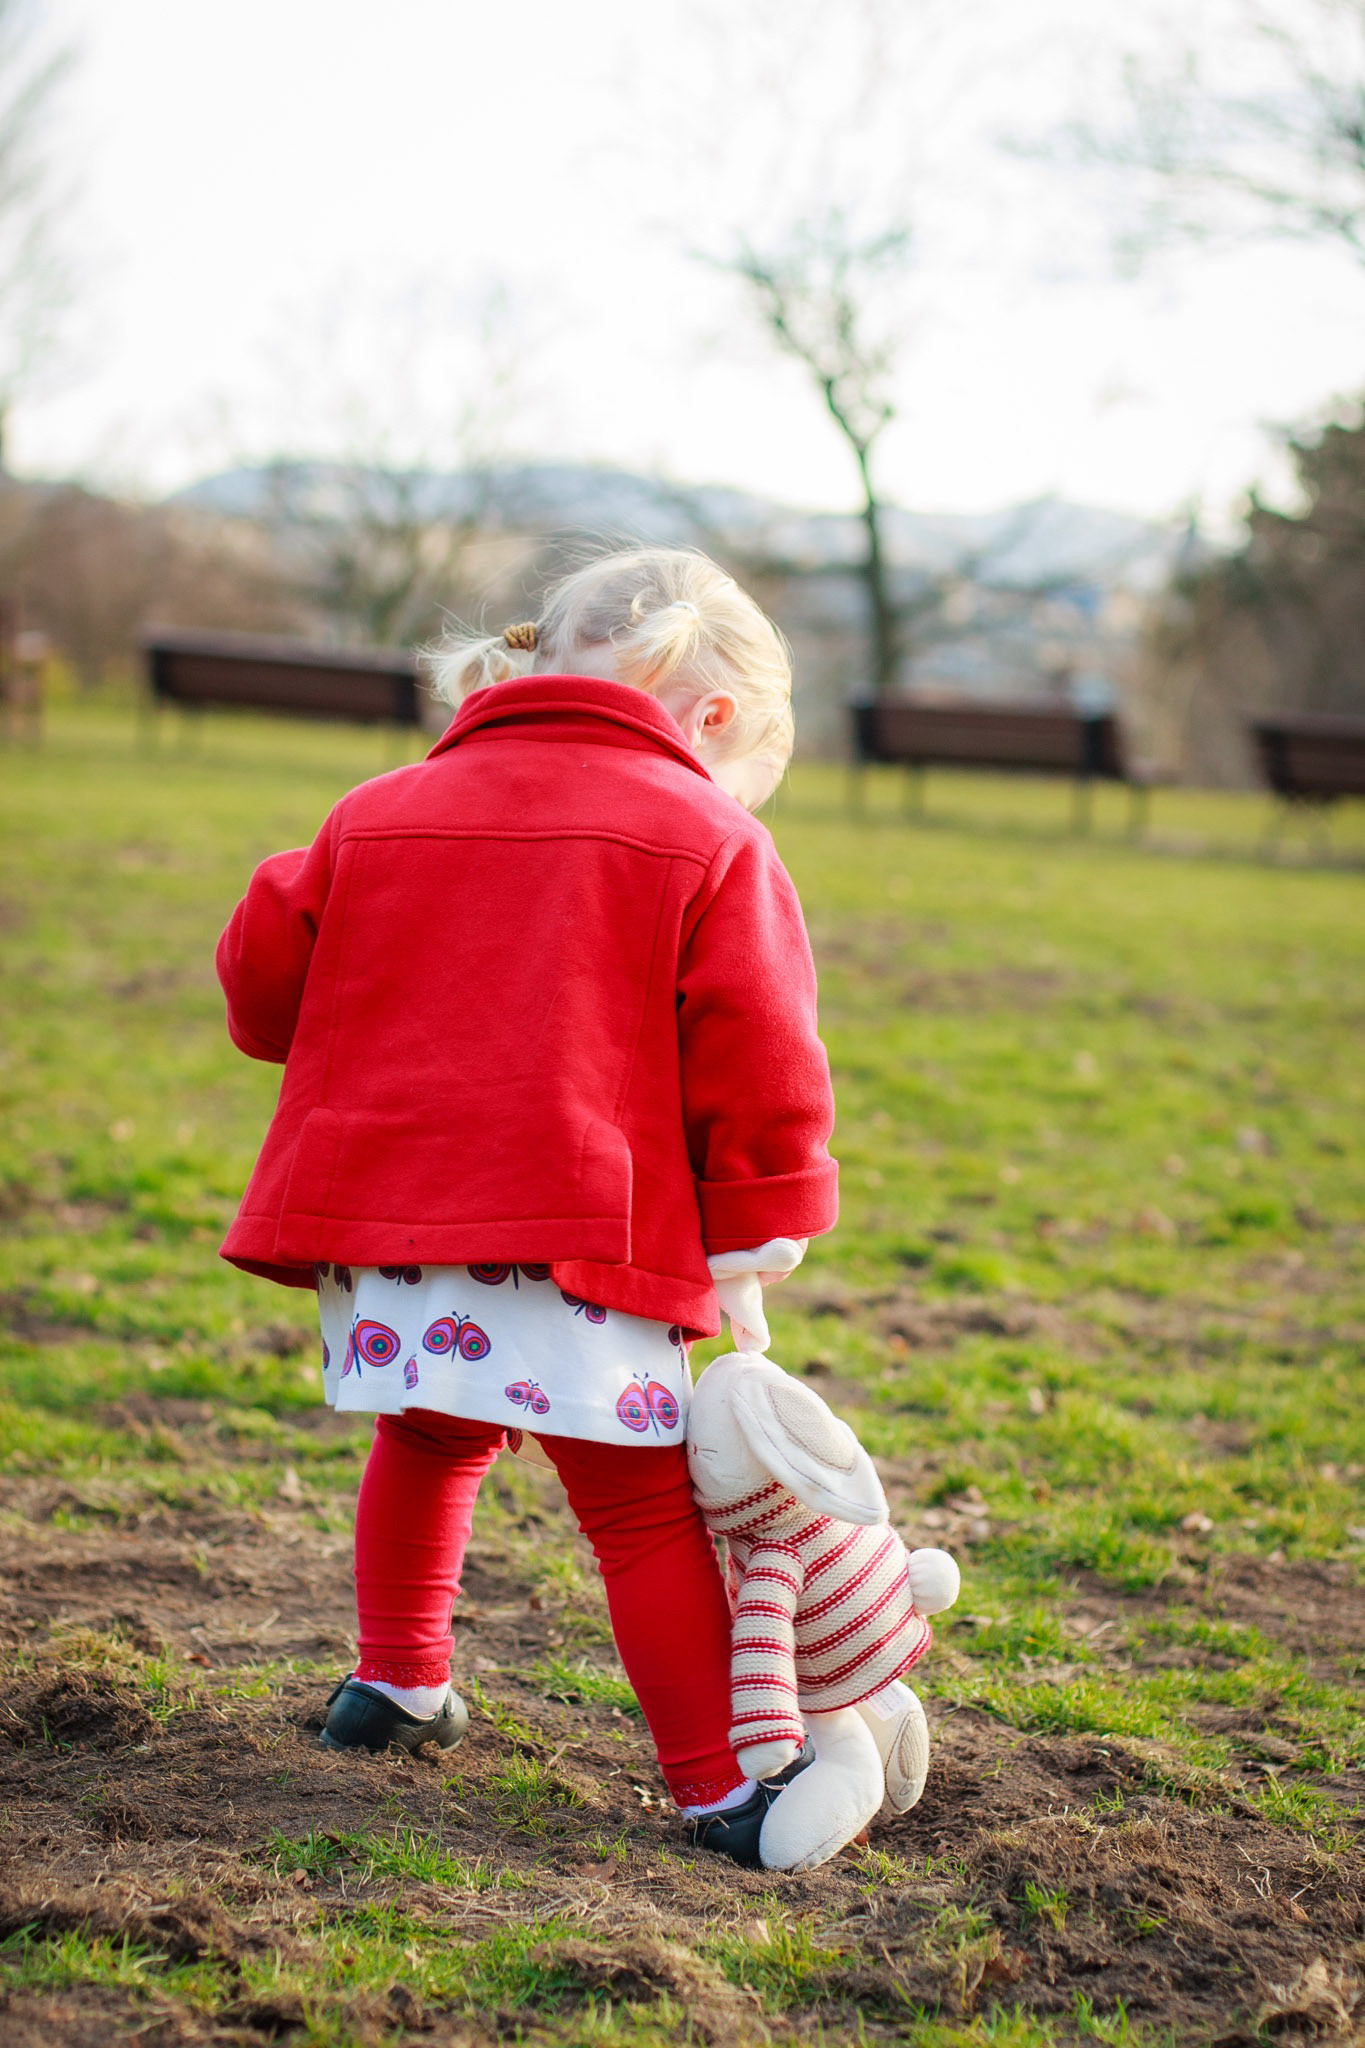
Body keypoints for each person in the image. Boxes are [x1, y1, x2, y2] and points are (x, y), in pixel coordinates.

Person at [215, 546, 839, 1864]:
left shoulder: (377, 807)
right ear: (712, 714)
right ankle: (719, 1785)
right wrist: (761, 1215)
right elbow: (762, 1048)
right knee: (638, 1507)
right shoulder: (709, 834)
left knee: (428, 1436)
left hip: (395, 1226)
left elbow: (267, 990)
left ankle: (392, 1686)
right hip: (571, 1230)